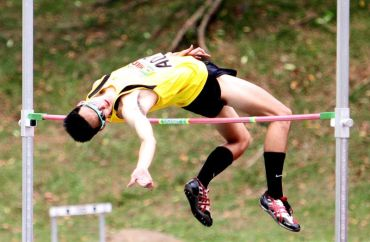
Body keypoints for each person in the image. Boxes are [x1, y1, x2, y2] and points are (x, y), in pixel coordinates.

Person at [64, 45, 300, 232]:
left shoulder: (98, 87)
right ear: (104, 125)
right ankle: (275, 196)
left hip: (190, 90)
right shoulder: (130, 106)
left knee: (240, 141)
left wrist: (176, 57)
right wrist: (142, 167)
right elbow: (147, 138)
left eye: (95, 107)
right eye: (103, 116)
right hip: (205, 83)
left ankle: (200, 184)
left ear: (81, 102)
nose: (103, 106)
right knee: (282, 115)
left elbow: (142, 68)